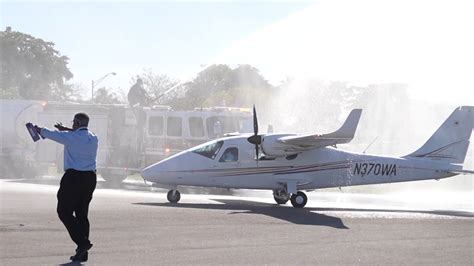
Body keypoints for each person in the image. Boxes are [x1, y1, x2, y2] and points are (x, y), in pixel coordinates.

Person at [34, 113, 98, 262]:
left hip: (74, 178)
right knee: (82, 214)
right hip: (90, 178)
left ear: (76, 122)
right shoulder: (94, 137)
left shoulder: (71, 138)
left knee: (63, 211)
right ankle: (82, 253)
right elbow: (79, 134)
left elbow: (50, 134)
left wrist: (38, 129)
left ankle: (82, 244)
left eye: (74, 123)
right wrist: (67, 128)